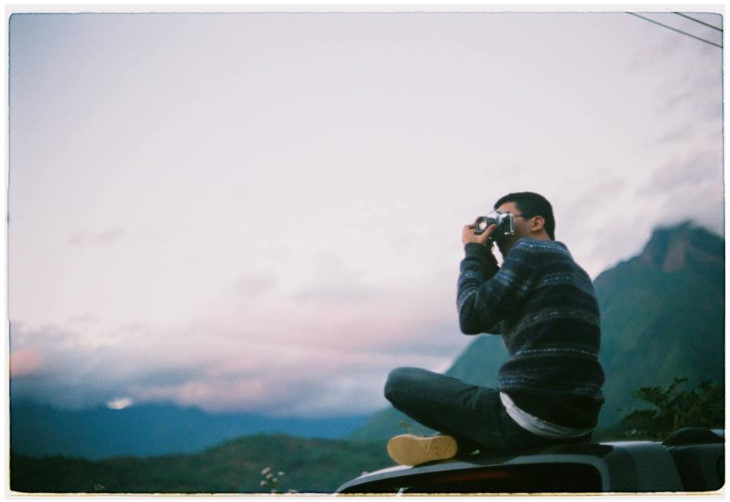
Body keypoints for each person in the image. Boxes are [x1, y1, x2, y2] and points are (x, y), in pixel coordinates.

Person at [384, 192, 605, 466]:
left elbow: (471, 317)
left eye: (504, 219)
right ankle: (462, 440)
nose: (497, 227)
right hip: (577, 426)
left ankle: (465, 438)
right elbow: (496, 318)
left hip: (528, 419)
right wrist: (488, 258)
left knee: (398, 382)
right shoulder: (574, 272)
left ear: (537, 223)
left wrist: (473, 254)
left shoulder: (529, 251)